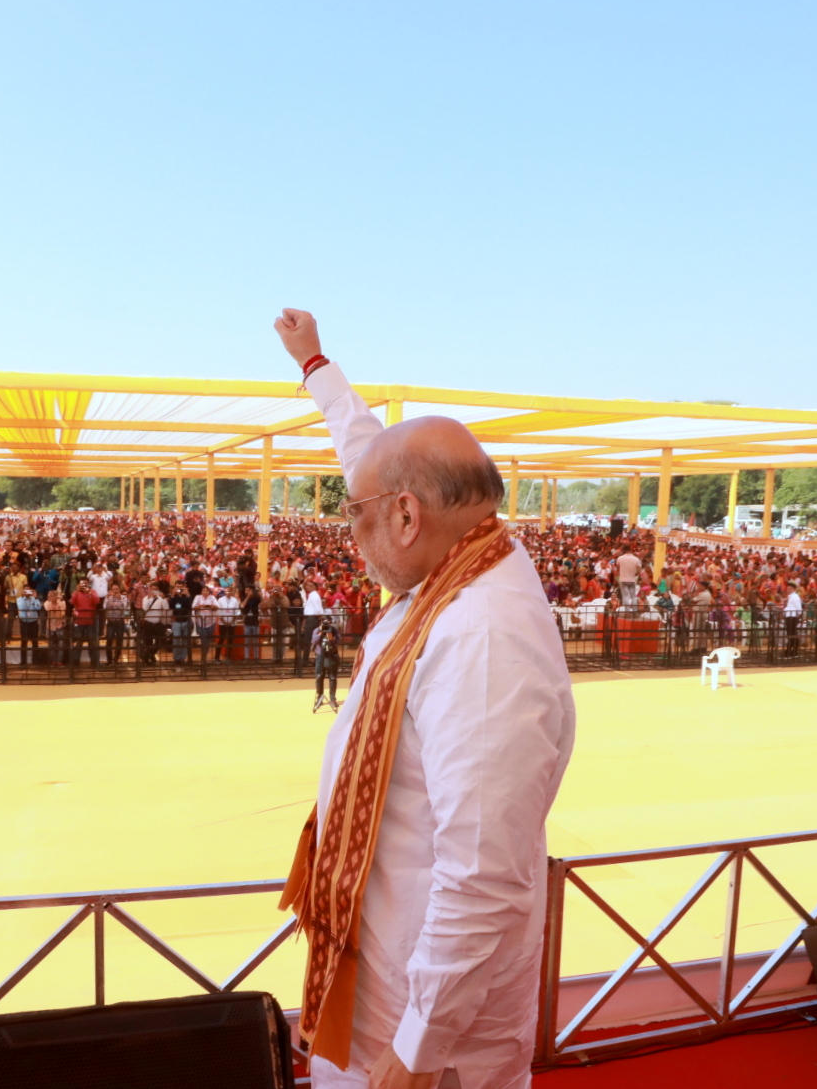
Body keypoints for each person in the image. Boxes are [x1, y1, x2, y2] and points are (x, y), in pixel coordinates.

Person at [272, 308, 575, 1089]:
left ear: (407, 515)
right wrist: (317, 369)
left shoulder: (480, 635)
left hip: (424, 1025)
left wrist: (416, 1049)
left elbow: (483, 870)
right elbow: (370, 455)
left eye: (354, 516)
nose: (352, 532)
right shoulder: (463, 558)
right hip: (383, 975)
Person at [312, 618, 342, 712]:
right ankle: (319, 697)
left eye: (327, 623)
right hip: (320, 656)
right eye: (324, 623)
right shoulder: (317, 630)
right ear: (320, 623)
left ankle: (332, 699)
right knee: (319, 677)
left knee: (332, 678)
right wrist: (320, 633)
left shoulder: (333, 630)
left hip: (331, 656)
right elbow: (314, 641)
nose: (326, 625)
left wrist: (330, 636)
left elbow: (337, 641)